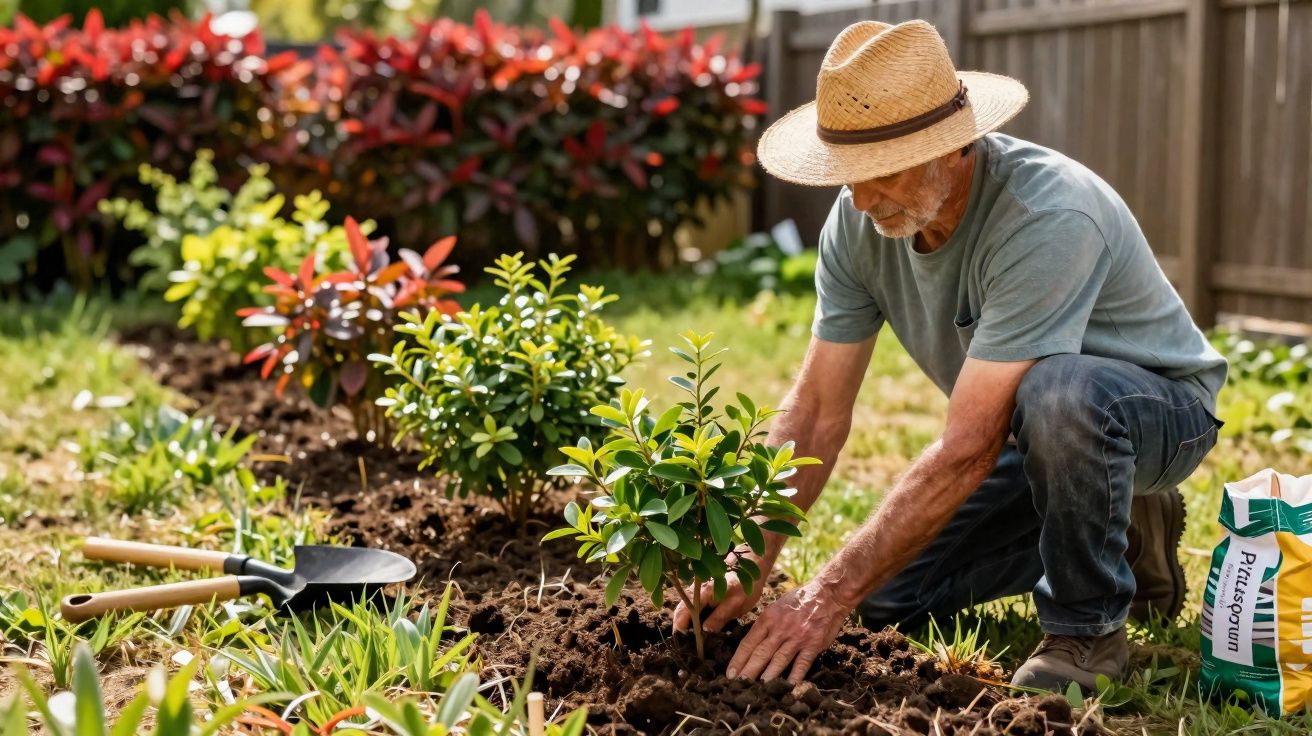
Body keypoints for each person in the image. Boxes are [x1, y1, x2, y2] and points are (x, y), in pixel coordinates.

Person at [671, 18, 1227, 692]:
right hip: (1029, 431)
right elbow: (817, 410)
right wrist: (749, 552)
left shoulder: (1045, 215)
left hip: (1154, 411)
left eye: (882, 173)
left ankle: (1086, 634)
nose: (861, 197)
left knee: (1061, 392)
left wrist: (823, 593)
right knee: (887, 597)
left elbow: (967, 447)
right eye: (849, 175)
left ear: (953, 146)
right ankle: (1131, 537)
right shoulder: (858, 223)